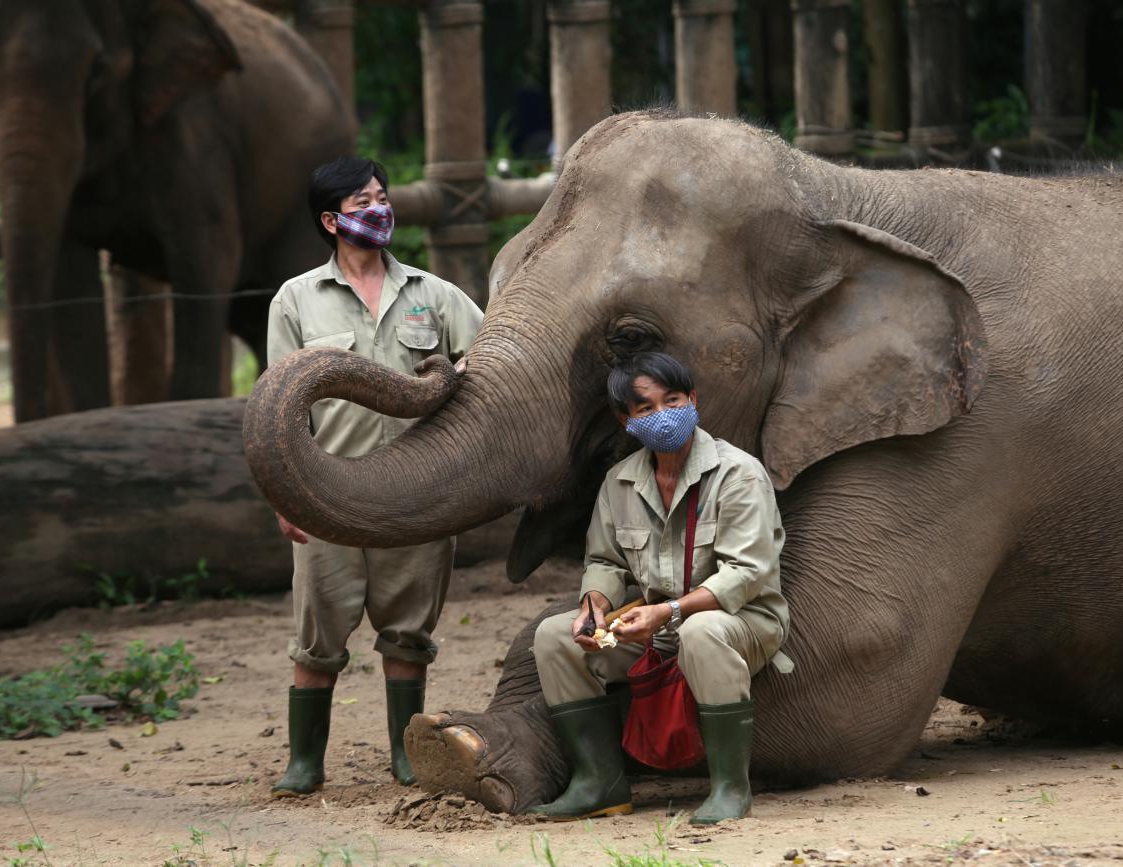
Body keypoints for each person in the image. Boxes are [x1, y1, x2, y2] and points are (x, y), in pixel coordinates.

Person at [266, 156, 483, 795]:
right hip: (326, 489)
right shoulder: (296, 299)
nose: (379, 209)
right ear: (332, 221)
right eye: (363, 203)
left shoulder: (433, 294)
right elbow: (278, 404)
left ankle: (405, 754)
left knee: (408, 632)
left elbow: (488, 355)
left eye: (382, 198)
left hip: (417, 494)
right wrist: (286, 493)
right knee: (318, 633)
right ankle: (304, 764)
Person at [529, 352, 793, 824]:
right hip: (657, 626)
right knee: (554, 637)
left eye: (673, 401)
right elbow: (604, 561)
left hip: (741, 622)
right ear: (625, 420)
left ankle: (731, 789)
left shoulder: (739, 473)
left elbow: (747, 572)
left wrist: (669, 611)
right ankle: (600, 783)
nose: (664, 415)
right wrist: (595, 605)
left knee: (702, 631)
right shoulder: (619, 482)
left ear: (693, 400)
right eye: (646, 408)